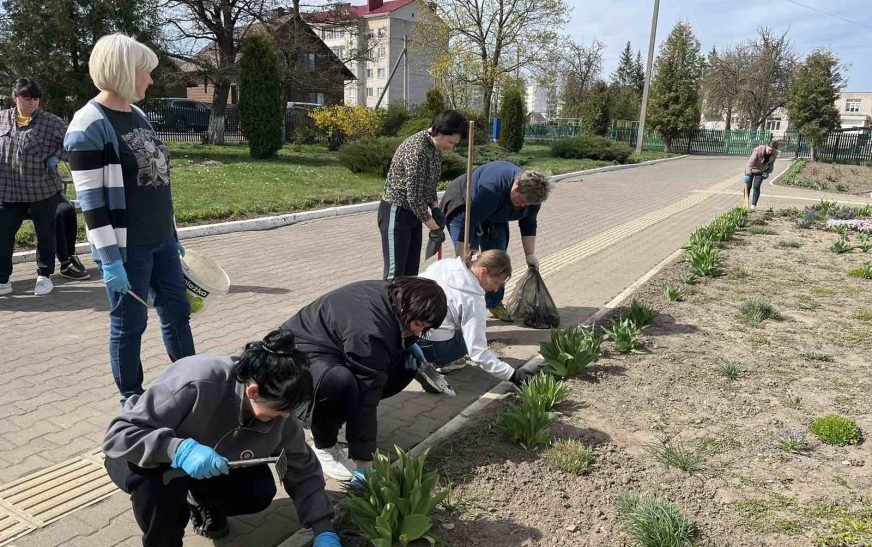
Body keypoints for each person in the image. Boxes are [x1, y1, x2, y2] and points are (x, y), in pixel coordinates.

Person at [103, 330, 342, 547]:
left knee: (256, 491)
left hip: (213, 461)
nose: (285, 416)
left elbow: (301, 466)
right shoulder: (196, 381)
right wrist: (178, 450)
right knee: (161, 499)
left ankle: (198, 500)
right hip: (148, 457)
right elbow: (118, 435)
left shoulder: (281, 408)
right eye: (279, 409)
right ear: (253, 392)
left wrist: (323, 529)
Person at [65, 34, 193, 404]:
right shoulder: (89, 126)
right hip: (127, 249)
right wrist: (109, 262)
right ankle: (131, 398)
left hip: (161, 240)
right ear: (123, 70)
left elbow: (157, 181)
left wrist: (172, 232)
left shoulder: (136, 115)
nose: (150, 80)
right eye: (144, 71)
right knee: (130, 324)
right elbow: (92, 204)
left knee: (177, 313)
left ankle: (191, 383)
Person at [281, 277, 448, 481]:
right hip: (298, 353)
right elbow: (366, 398)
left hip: (337, 345)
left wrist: (407, 345)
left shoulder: (396, 295)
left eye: (425, 328)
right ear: (405, 307)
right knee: (339, 381)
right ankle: (323, 441)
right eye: (417, 324)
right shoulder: (371, 331)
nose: (418, 331)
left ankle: (337, 420)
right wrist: (365, 465)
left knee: (404, 366)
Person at [440, 161, 550, 321]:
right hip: (465, 207)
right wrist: (462, 257)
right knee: (470, 261)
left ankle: (493, 302)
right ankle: (462, 306)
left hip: (493, 214)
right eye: (521, 200)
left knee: (498, 259)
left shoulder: (533, 198)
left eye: (528, 203)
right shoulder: (492, 188)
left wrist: (530, 255)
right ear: (516, 184)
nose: (523, 205)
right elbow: (469, 223)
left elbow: (528, 223)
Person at [419, 250, 541, 382]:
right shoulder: (474, 299)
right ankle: (438, 361)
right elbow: (478, 352)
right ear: (483, 272)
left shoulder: (446, 264)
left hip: (409, 332)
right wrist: (513, 375)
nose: (495, 290)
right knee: (470, 337)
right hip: (432, 346)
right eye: (497, 283)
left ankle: (414, 357)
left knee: (457, 321)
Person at [378, 110, 467, 280]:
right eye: (450, 142)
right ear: (439, 132)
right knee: (395, 274)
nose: (451, 147)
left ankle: (407, 306)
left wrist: (435, 208)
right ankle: (388, 306)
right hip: (396, 213)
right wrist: (433, 227)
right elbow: (414, 196)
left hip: (414, 214)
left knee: (411, 272)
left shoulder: (434, 148)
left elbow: (429, 184)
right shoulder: (416, 149)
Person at [0, 78, 69, 296]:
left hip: (42, 191)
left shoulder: (51, 122)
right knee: (3, 235)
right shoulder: (2, 119)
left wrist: (56, 156)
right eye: (27, 99)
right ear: (15, 97)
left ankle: (44, 275)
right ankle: (3, 279)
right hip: (9, 192)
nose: (32, 104)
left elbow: (74, 143)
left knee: (45, 234)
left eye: (36, 99)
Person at [54, 191, 90, 280]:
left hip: (50, 193)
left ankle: (70, 255)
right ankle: (65, 262)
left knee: (68, 209)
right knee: (56, 214)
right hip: (23, 197)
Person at [743, 140, 780, 211]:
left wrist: (768, 172)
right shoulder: (758, 150)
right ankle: (746, 201)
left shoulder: (774, 153)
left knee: (756, 186)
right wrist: (747, 174)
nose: (770, 152)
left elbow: (771, 164)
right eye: (769, 150)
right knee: (748, 186)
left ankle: (753, 205)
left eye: (772, 151)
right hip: (751, 169)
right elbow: (750, 163)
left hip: (761, 171)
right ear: (766, 146)